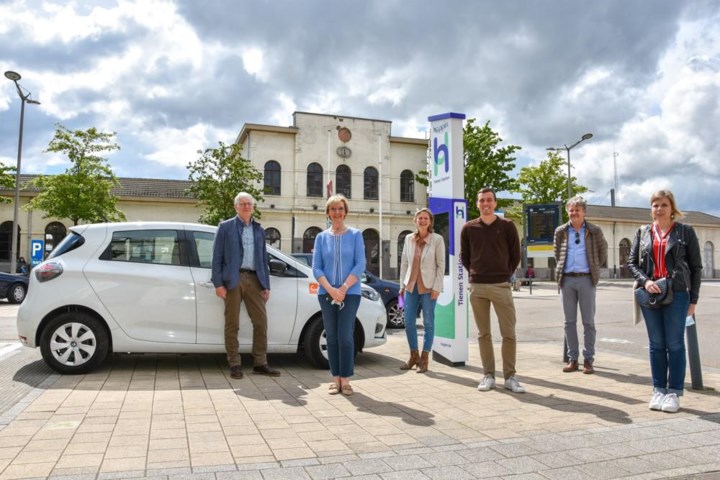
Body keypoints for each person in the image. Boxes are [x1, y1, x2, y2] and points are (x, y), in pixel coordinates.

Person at [627, 190, 702, 413]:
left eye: (664, 205)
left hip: (678, 293)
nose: (659, 209)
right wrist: (646, 280)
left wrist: (694, 300)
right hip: (650, 293)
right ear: (651, 209)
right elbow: (632, 263)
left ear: (672, 208)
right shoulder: (643, 233)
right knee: (656, 344)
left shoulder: (685, 232)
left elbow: (697, 268)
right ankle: (658, 389)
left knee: (675, 344)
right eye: (655, 205)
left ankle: (674, 393)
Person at [460, 187, 526, 393]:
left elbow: (515, 255)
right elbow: (465, 256)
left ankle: (510, 377)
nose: (486, 204)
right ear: (477, 204)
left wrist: (505, 274)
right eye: (482, 201)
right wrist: (475, 273)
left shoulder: (507, 226)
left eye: (489, 200)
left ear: (495, 203)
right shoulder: (468, 228)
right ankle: (488, 375)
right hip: (478, 287)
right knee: (483, 334)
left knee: (509, 333)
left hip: (501, 285)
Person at [211, 192, 281, 380]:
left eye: (249, 204)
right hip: (233, 279)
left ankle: (260, 363)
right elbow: (217, 257)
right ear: (236, 207)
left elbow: (263, 258)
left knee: (261, 322)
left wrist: (266, 284)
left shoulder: (258, 229)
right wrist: (218, 283)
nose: (247, 207)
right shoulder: (225, 227)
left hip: (255, 279)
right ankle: (234, 363)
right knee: (232, 323)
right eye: (243, 204)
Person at [312, 194, 365, 396]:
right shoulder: (321, 237)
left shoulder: (355, 235)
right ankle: (335, 379)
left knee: (345, 336)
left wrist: (342, 289)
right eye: (333, 209)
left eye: (340, 208)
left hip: (350, 294)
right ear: (328, 213)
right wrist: (331, 289)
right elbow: (317, 268)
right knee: (331, 337)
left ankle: (346, 379)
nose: (337, 212)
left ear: (345, 211)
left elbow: (360, 264)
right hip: (326, 293)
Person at [553, 196, 608, 374]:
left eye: (577, 209)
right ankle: (572, 359)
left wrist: (592, 268)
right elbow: (557, 254)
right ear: (567, 211)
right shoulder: (560, 231)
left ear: (584, 212)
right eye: (571, 209)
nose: (574, 212)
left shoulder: (594, 230)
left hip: (586, 279)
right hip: (566, 279)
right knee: (569, 322)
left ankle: (588, 360)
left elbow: (602, 252)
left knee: (588, 322)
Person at [398, 208, 445, 373]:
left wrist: (437, 287)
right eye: (420, 218)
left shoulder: (437, 239)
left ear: (430, 222)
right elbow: (404, 263)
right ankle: (414, 356)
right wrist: (401, 286)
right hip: (410, 286)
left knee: (428, 323)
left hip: (429, 287)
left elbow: (441, 265)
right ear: (415, 221)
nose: (423, 221)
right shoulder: (408, 239)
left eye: (426, 218)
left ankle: (424, 360)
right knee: (408, 322)